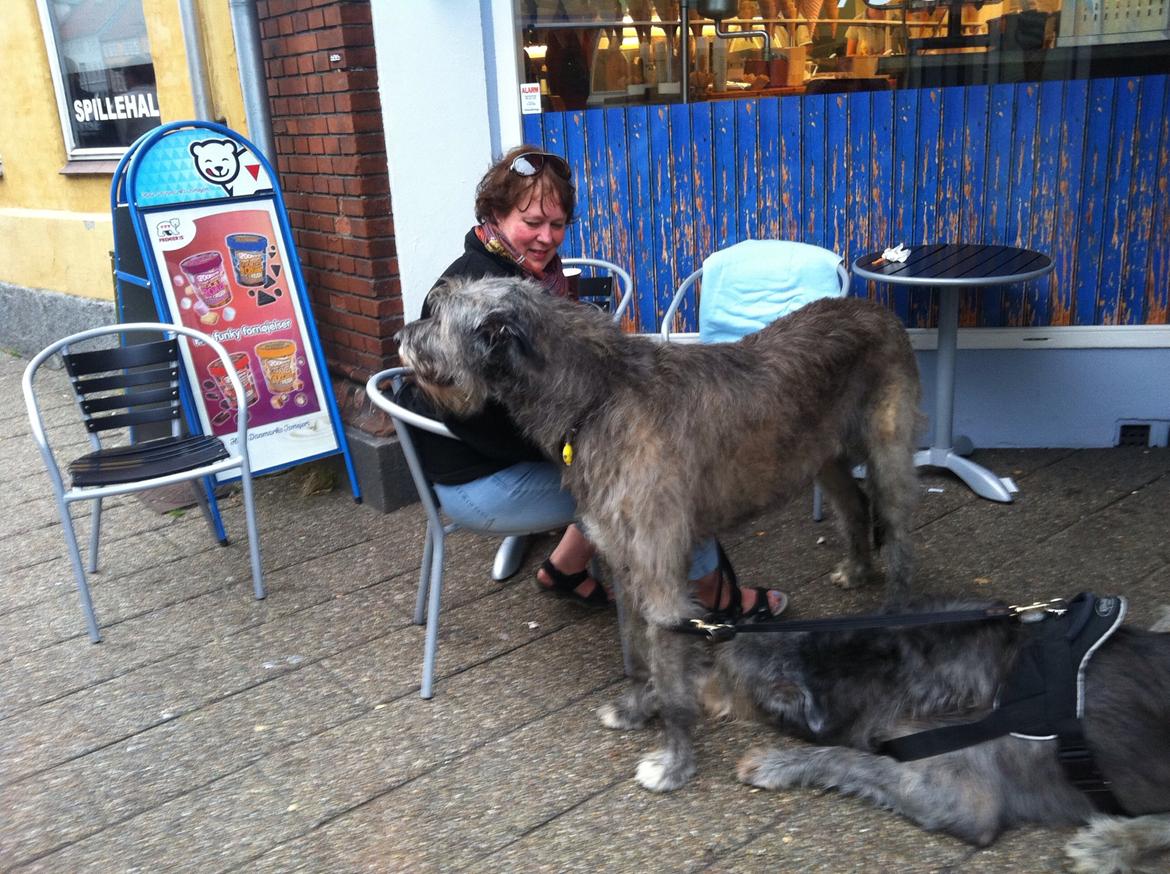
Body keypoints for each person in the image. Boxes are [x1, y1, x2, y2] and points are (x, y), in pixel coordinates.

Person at [397, 144, 787, 621]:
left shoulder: (524, 274)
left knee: (639, 452)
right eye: (532, 223)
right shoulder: (472, 298)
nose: (546, 238)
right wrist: (598, 443)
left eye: (556, 225)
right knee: (663, 481)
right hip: (480, 480)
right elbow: (482, 422)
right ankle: (712, 595)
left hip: (500, 456)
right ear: (496, 214)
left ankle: (565, 569)